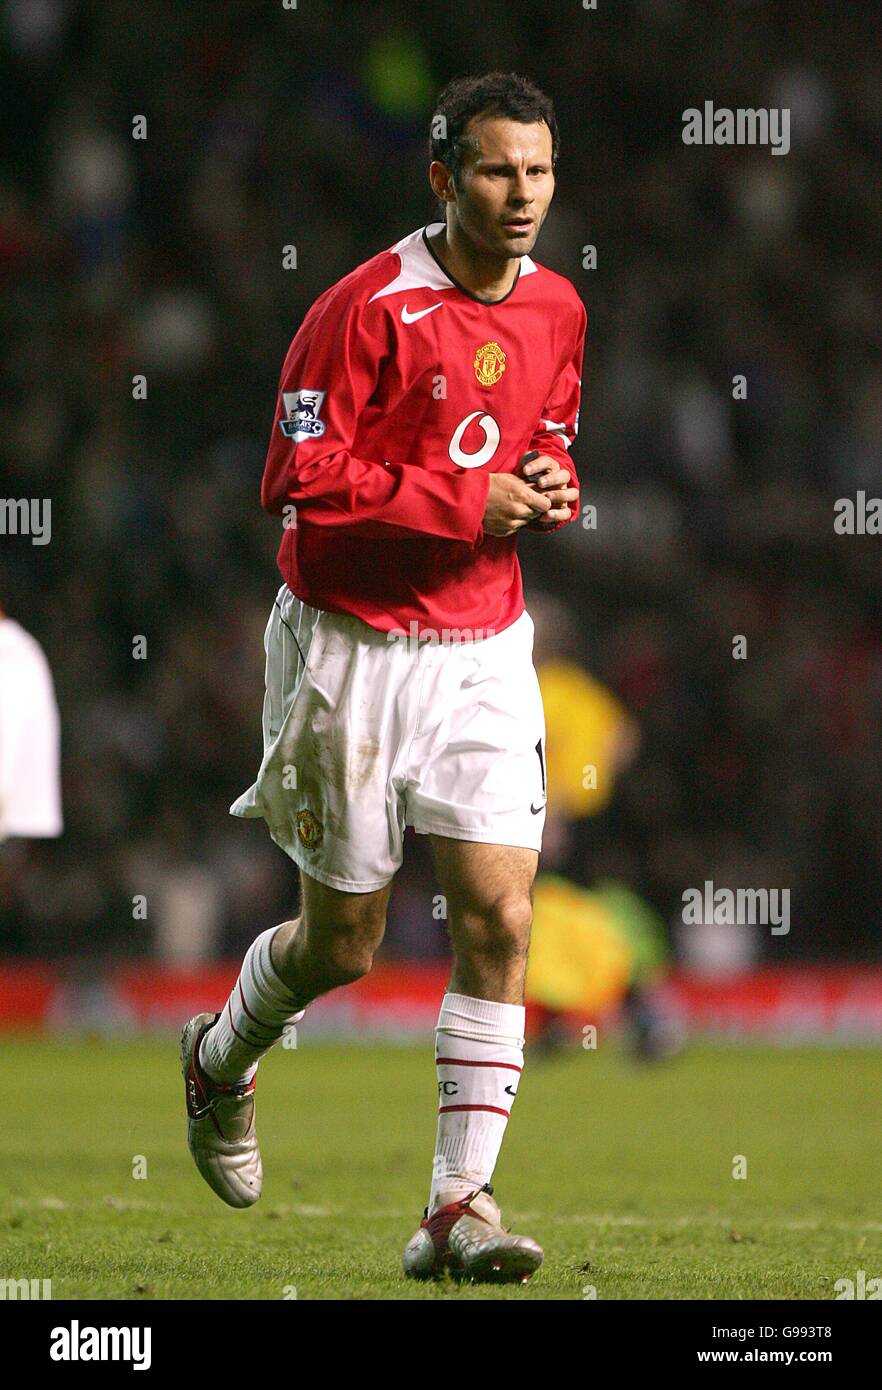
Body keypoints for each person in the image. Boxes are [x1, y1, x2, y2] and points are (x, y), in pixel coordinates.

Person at [181, 71, 587, 1284]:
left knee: (501, 917)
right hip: (348, 644)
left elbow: (547, 426)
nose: (523, 197)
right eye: (498, 172)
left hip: (483, 647)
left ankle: (458, 1203)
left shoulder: (560, 307)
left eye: (540, 172)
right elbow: (294, 479)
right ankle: (219, 1056)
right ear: (442, 177)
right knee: (345, 943)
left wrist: (551, 482)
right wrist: (473, 499)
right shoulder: (362, 309)